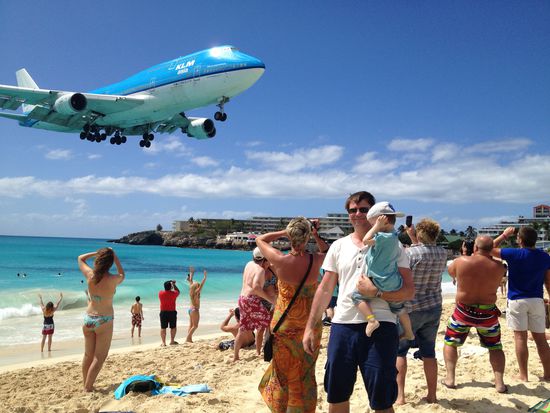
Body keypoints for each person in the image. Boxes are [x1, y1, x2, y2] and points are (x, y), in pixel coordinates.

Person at [303, 191, 414, 413]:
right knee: (336, 395)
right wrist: (310, 327)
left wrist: (377, 293)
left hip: (382, 326)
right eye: (352, 210)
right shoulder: (338, 246)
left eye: (363, 209)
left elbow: (409, 291)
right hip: (342, 326)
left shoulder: (395, 246)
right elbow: (325, 289)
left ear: (374, 213)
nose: (358, 214)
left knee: (382, 400)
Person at [257, 217, 328, 413]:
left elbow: (260, 240)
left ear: (291, 236)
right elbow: (327, 251)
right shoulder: (316, 260)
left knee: (282, 375)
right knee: (306, 373)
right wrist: (315, 234)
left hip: (284, 325)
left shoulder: (280, 260)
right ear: (307, 237)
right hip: (309, 326)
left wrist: (284, 232)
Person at [395, 219, 451, 404]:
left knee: (400, 351)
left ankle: (400, 396)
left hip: (410, 307)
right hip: (433, 306)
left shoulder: (409, 253)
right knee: (429, 352)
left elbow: (403, 272)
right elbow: (424, 249)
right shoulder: (443, 253)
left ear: (419, 234)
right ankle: (432, 395)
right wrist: (414, 237)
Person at [443, 236, 508, 393]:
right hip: (487, 313)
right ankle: (499, 383)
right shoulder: (500, 267)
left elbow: (451, 273)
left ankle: (450, 378)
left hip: (463, 312)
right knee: (495, 346)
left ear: (475, 248)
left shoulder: (460, 261)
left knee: (451, 343)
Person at [492, 226, 550, 382]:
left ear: (520, 240)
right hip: (536, 300)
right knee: (541, 340)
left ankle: (523, 375)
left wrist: (504, 235)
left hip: (517, 300)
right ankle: (548, 375)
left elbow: (488, 249)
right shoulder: (544, 256)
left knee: (520, 338)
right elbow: (548, 281)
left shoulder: (514, 253)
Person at [351, 202, 414, 340]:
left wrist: (376, 227)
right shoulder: (394, 236)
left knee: (356, 297)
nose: (372, 227)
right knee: (399, 308)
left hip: (379, 279)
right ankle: (409, 332)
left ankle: (371, 320)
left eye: (373, 224)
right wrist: (378, 226)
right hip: (393, 281)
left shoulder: (383, 237)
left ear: (382, 222)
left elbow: (365, 240)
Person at [78, 247, 125, 392]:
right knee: (99, 357)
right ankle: (88, 387)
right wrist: (114, 256)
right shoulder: (113, 279)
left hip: (88, 318)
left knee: (88, 355)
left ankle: (86, 384)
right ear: (110, 262)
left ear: (98, 260)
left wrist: (97, 253)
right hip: (104, 320)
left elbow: (80, 258)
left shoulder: (90, 275)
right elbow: (122, 274)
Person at [234, 247, 275, 361]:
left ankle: (236, 356)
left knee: (242, 328)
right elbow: (256, 287)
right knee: (270, 322)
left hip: (242, 298)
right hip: (251, 300)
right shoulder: (260, 270)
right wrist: (270, 299)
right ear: (264, 258)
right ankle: (268, 352)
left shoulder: (249, 264)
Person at [185, 267, 207, 343]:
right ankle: (188, 338)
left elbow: (191, 281)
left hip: (190, 310)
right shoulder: (196, 293)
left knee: (191, 325)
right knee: (195, 326)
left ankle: (189, 339)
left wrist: (191, 273)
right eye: (198, 286)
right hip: (195, 310)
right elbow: (201, 286)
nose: (199, 286)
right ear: (197, 288)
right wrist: (204, 277)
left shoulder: (191, 292)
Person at [159, 279, 180, 346]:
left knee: (163, 328)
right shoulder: (174, 294)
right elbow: (178, 291)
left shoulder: (160, 293)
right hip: (172, 312)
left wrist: (170, 284)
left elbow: (166, 289)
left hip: (163, 312)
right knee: (173, 327)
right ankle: (172, 341)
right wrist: (174, 284)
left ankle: (163, 342)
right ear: (171, 287)